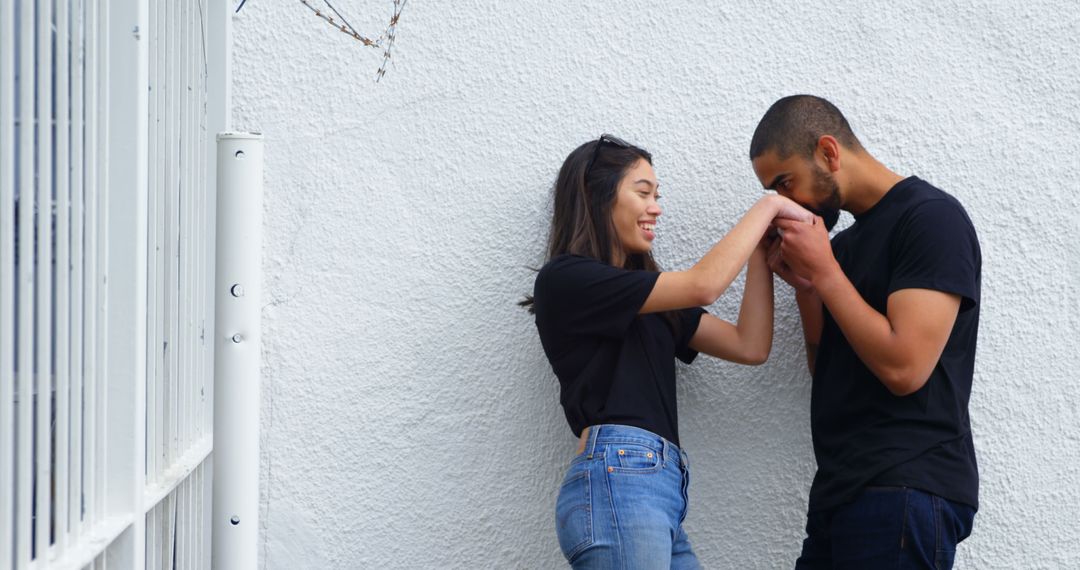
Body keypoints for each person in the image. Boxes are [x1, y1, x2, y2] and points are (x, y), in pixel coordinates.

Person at [523, 134, 813, 568]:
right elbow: (705, 284)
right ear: (597, 195)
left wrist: (759, 252)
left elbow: (749, 345)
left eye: (657, 195)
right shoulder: (566, 280)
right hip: (620, 477)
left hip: (656, 488)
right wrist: (767, 206)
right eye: (643, 192)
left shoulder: (650, 302)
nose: (656, 207)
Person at [749, 95, 981, 569]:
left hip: (904, 485)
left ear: (829, 153)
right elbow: (826, 364)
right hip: (842, 490)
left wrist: (826, 272)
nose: (785, 203)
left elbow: (905, 366)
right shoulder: (844, 246)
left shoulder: (931, 218)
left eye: (785, 183)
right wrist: (809, 287)